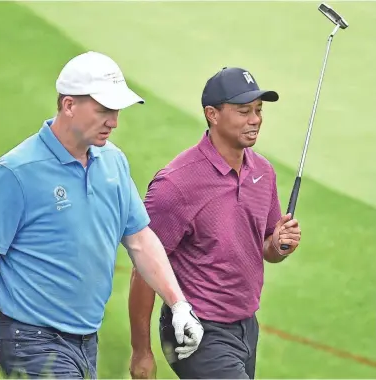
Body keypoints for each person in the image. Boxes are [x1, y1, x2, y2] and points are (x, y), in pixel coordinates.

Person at [0, 51, 204, 379]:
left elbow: (140, 240)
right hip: (30, 339)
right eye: (103, 110)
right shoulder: (16, 171)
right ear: (69, 105)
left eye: (116, 111)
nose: (114, 122)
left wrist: (179, 305)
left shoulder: (113, 162)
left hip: (86, 341)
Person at [128, 67, 302, 379]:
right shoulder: (176, 185)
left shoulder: (264, 173)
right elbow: (144, 265)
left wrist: (279, 245)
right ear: (213, 115)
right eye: (243, 111)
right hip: (195, 328)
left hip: (247, 327)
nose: (255, 119)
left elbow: (267, 249)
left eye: (259, 110)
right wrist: (141, 351)